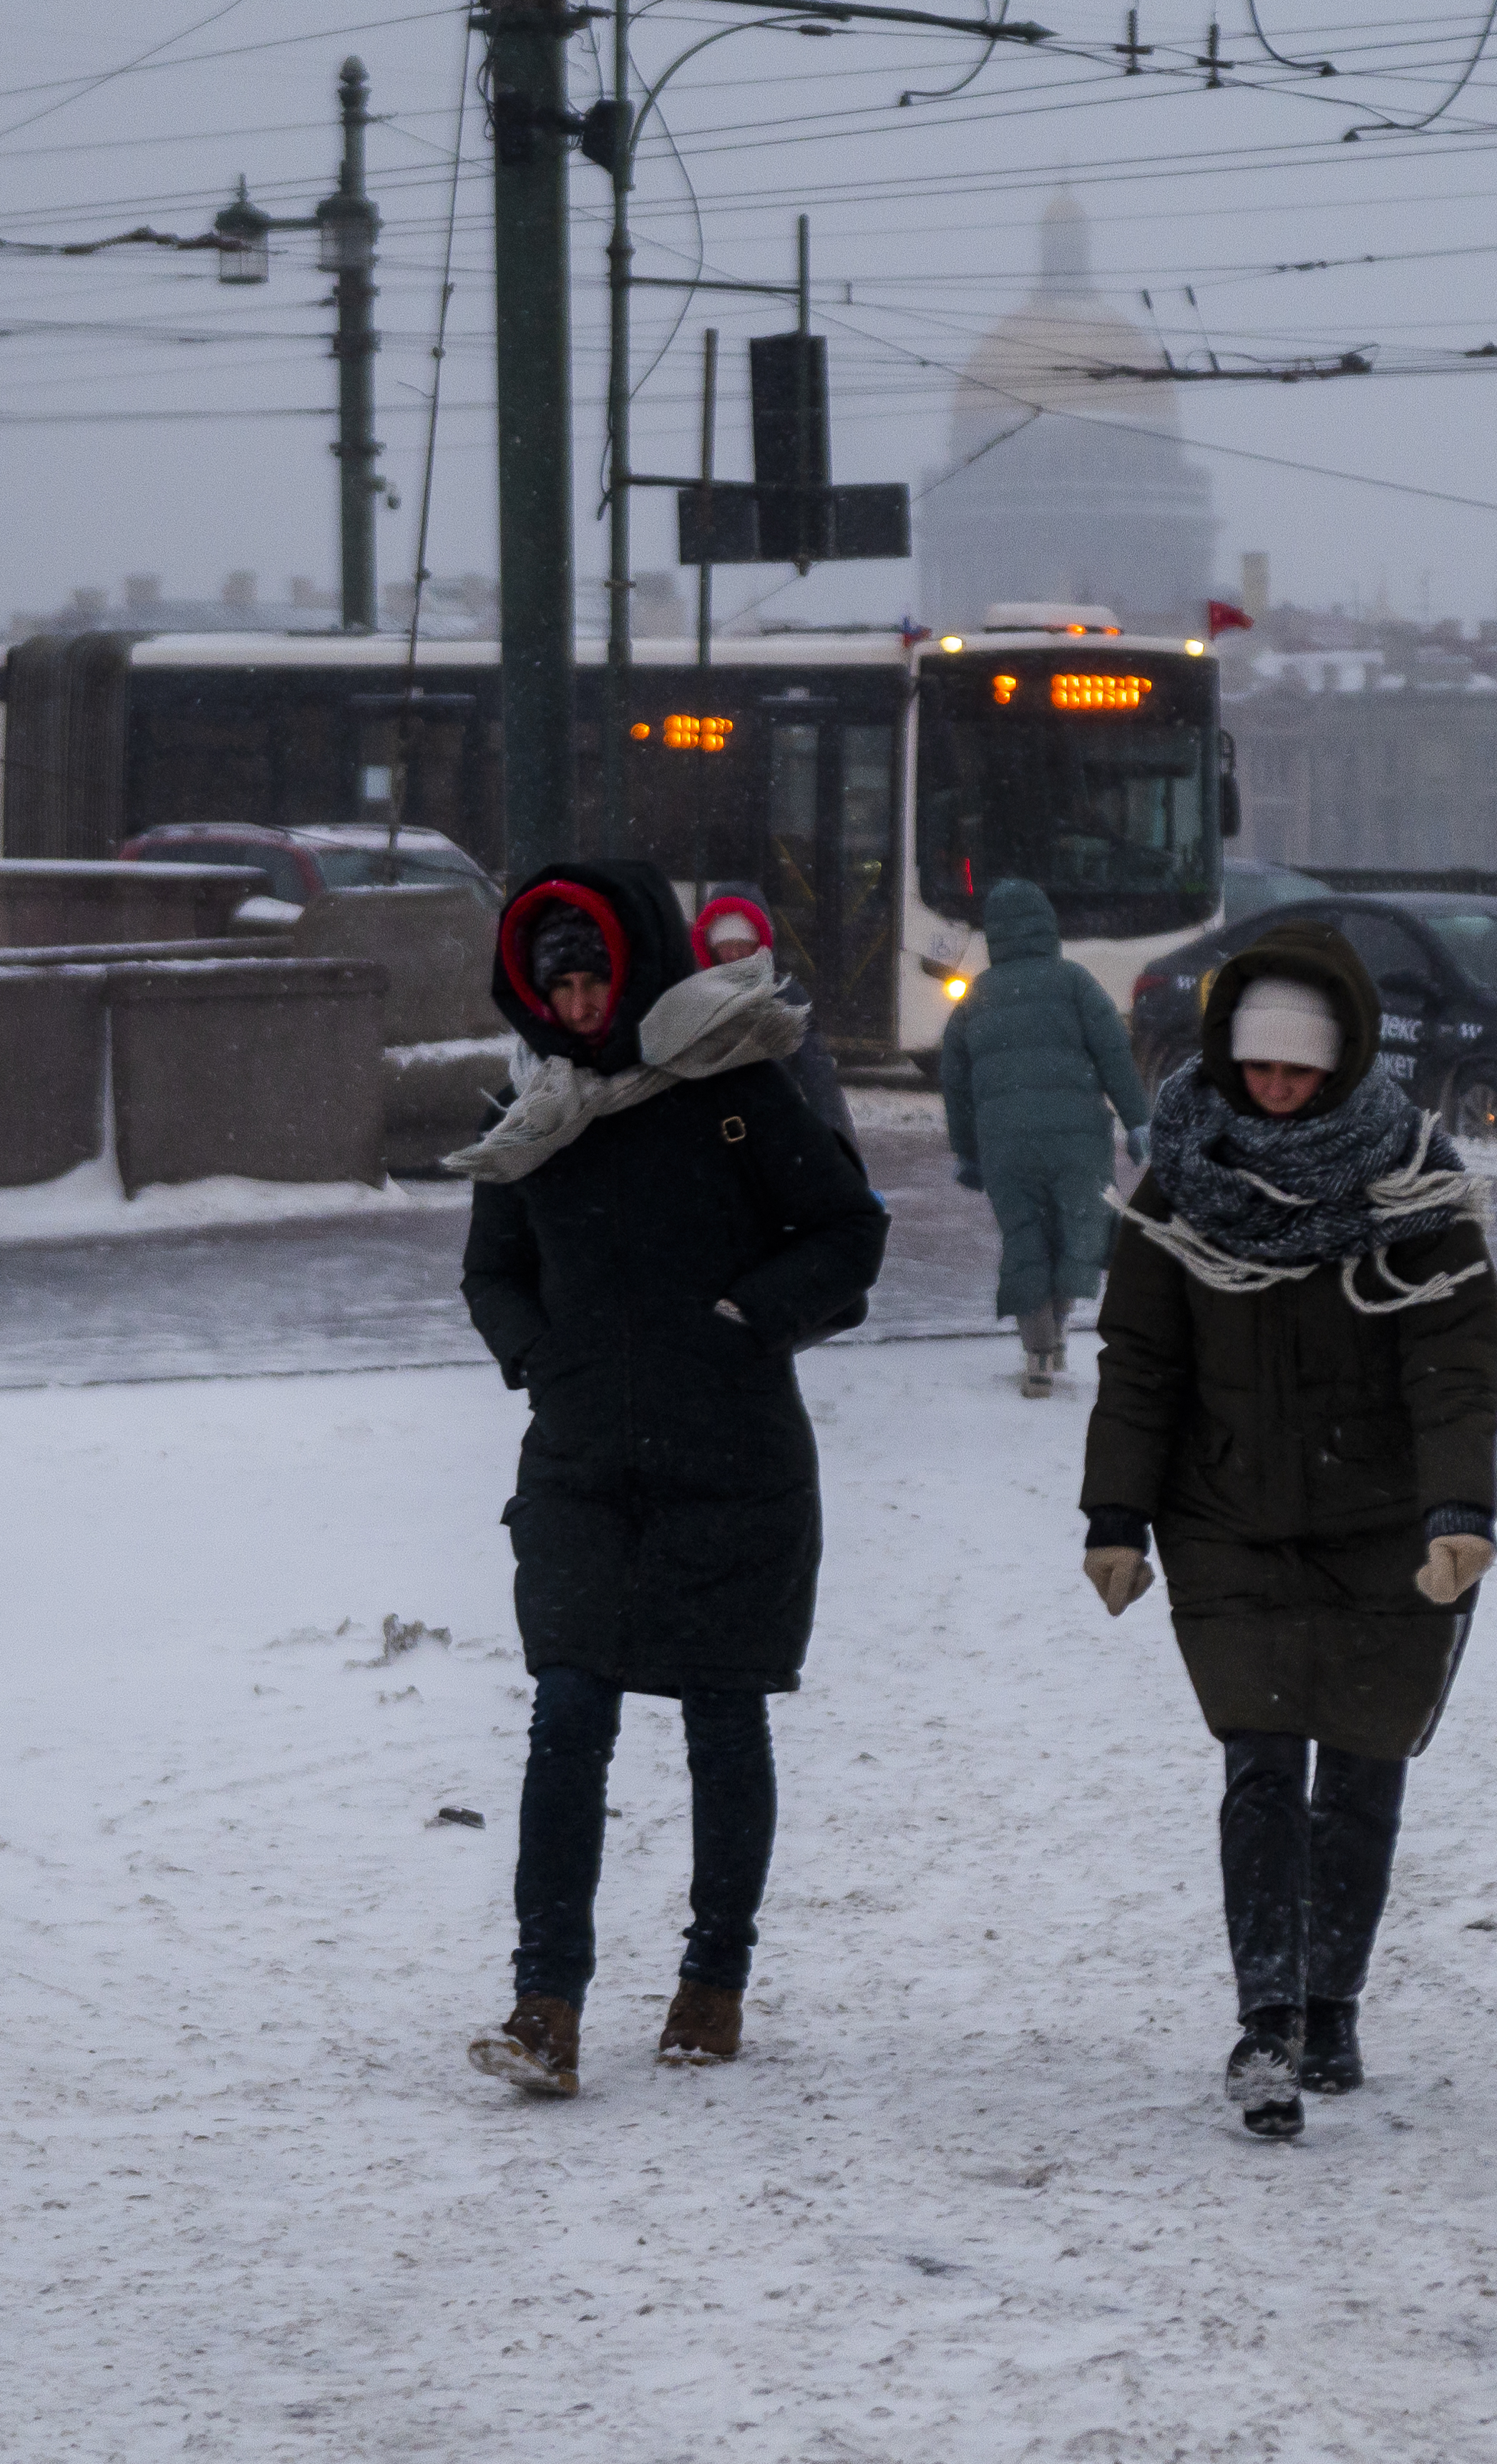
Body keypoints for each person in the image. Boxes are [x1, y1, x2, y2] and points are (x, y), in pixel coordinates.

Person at [454, 858, 889, 2100]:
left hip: (731, 1456)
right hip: (585, 1461)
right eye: (561, 986)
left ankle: (713, 1979)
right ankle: (546, 2002)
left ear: (634, 965)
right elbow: (491, 1266)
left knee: (721, 1716)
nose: (582, 1004)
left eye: (595, 978)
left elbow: (849, 1234)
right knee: (566, 1719)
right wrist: (538, 1354)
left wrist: (748, 1317)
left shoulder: (732, 1084)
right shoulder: (532, 1108)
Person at [1077, 921, 1497, 2141]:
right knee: (1261, 1762)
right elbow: (1141, 1359)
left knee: (1364, 1760)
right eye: (1257, 1067)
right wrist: (1116, 1509)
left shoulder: (1411, 1178)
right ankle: (1266, 2021)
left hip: (1380, 1518)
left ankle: (1331, 1996)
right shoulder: (1180, 1179)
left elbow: (1454, 1357)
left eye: (1298, 1070)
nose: (1274, 1090)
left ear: (1341, 1060)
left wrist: (1457, 1506)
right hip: (1229, 1514)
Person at [937, 876, 1154, 1398]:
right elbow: (1113, 1056)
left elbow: (956, 1087)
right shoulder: (1075, 983)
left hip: (1005, 1144)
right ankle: (1057, 1331)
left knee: (1025, 1239)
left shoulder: (973, 1000)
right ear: (1047, 926)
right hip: (1077, 1140)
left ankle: (1035, 1352)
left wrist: (968, 1152)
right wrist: (1137, 1120)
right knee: (1075, 1233)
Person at [691, 891, 859, 1145]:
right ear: (712, 947)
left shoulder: (786, 996)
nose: (734, 954)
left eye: (742, 944)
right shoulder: (694, 997)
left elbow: (818, 1077)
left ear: (759, 944)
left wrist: (842, 1148)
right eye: (726, 945)